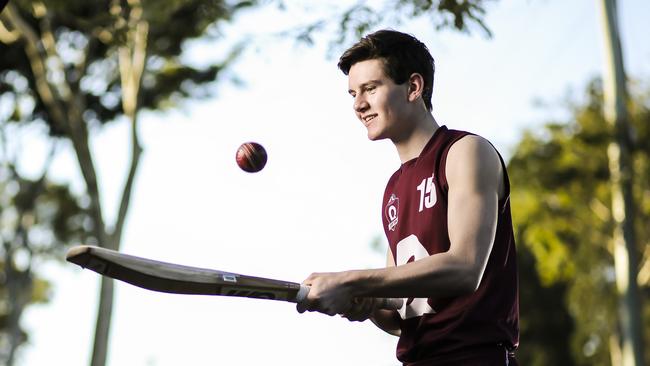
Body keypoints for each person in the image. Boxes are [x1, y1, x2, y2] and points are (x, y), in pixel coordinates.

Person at [296, 29, 519, 365]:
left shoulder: (464, 152)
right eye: (353, 93)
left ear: (414, 87)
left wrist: (352, 281)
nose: (359, 104)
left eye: (371, 88)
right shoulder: (393, 190)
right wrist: (367, 304)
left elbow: (464, 268)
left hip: (473, 357)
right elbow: (403, 314)